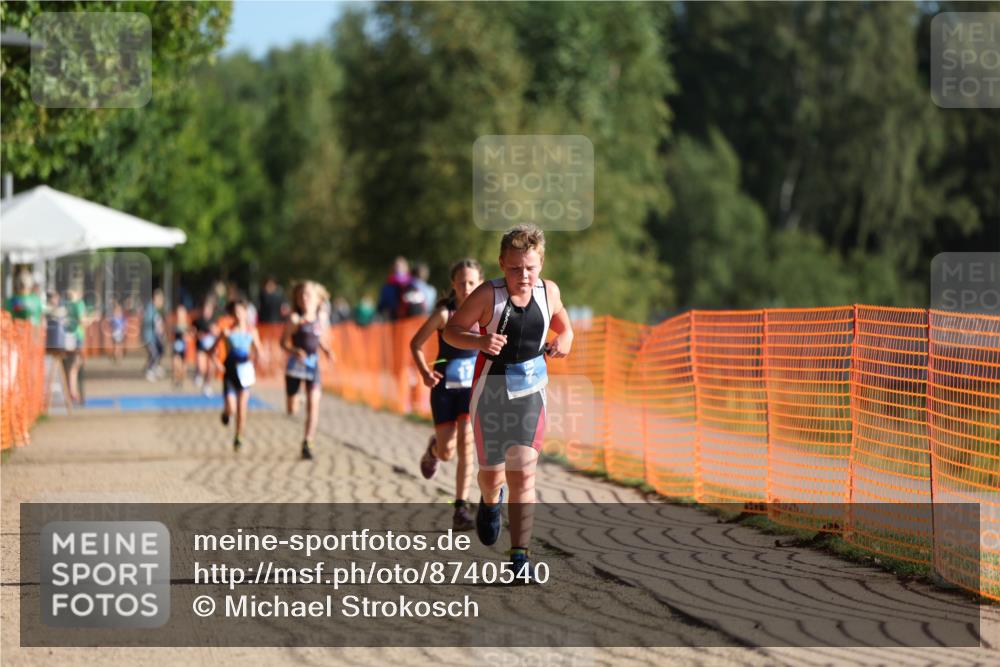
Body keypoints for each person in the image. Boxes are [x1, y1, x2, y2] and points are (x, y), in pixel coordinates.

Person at [444, 224, 573, 581]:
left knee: (523, 469)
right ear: (502, 264)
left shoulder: (549, 292)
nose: (524, 275)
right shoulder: (489, 295)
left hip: (532, 392)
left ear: (541, 263)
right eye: (515, 268)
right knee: (492, 475)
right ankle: (489, 500)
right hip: (492, 394)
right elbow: (452, 330)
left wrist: (567, 339)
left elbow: (565, 324)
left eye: (530, 267)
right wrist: (480, 343)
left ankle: (520, 557)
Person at [410, 259, 483, 531]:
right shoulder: (445, 315)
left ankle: (460, 508)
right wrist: (425, 373)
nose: (467, 287)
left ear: (480, 284)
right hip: (444, 388)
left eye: (472, 282)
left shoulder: (485, 314)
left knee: (466, 443)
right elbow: (415, 344)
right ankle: (433, 449)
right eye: (462, 282)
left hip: (471, 390)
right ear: (453, 284)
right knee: (447, 452)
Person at [282, 281, 335, 460]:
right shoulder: (295, 320)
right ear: (297, 299)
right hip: (295, 368)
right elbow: (283, 342)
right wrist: (294, 350)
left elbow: (318, 339)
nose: (305, 298)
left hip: (313, 367)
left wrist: (327, 350)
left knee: (314, 405)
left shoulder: (320, 319)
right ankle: (298, 398)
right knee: (292, 410)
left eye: (308, 295)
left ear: (317, 299)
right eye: (301, 295)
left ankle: (308, 441)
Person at [214, 299, 262, 452]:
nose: (238, 315)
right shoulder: (227, 332)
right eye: (235, 312)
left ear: (246, 313)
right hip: (230, 373)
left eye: (241, 311)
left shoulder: (251, 331)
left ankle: (238, 437)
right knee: (232, 409)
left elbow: (258, 351)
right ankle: (226, 413)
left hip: (245, 373)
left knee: (242, 408)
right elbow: (212, 351)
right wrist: (217, 363)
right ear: (231, 314)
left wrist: (254, 363)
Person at [63, 286, 89, 404]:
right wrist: (91, 319)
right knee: (76, 365)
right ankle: (73, 392)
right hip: (78, 336)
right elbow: (82, 320)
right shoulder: (79, 304)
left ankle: (72, 391)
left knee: (70, 365)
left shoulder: (66, 304)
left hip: (67, 336)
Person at [193, 298, 218, 394]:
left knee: (210, 368)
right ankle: (198, 373)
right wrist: (198, 335)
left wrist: (214, 331)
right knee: (201, 366)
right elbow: (192, 332)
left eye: (208, 309)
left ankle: (207, 385)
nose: (206, 311)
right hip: (201, 348)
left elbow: (218, 333)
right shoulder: (197, 321)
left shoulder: (214, 321)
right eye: (205, 309)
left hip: (211, 349)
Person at [376, 256, 411, 321]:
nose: (398, 268)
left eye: (400, 266)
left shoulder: (412, 285)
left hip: (407, 319)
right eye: (396, 266)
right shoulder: (387, 286)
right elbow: (382, 305)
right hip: (394, 319)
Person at [142, 289, 166, 381]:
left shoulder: (156, 310)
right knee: (154, 353)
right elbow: (148, 321)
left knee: (160, 351)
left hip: (155, 337)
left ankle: (154, 367)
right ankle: (149, 370)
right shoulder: (150, 308)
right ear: (155, 298)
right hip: (149, 337)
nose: (162, 302)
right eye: (160, 300)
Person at [171, 304, 190, 387]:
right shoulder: (175, 324)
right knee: (176, 364)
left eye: (181, 313)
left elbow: (189, 335)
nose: (180, 315)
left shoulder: (187, 324)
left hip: (184, 347)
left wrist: (186, 335)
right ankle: (176, 379)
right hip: (176, 346)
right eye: (179, 312)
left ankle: (181, 380)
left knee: (183, 365)